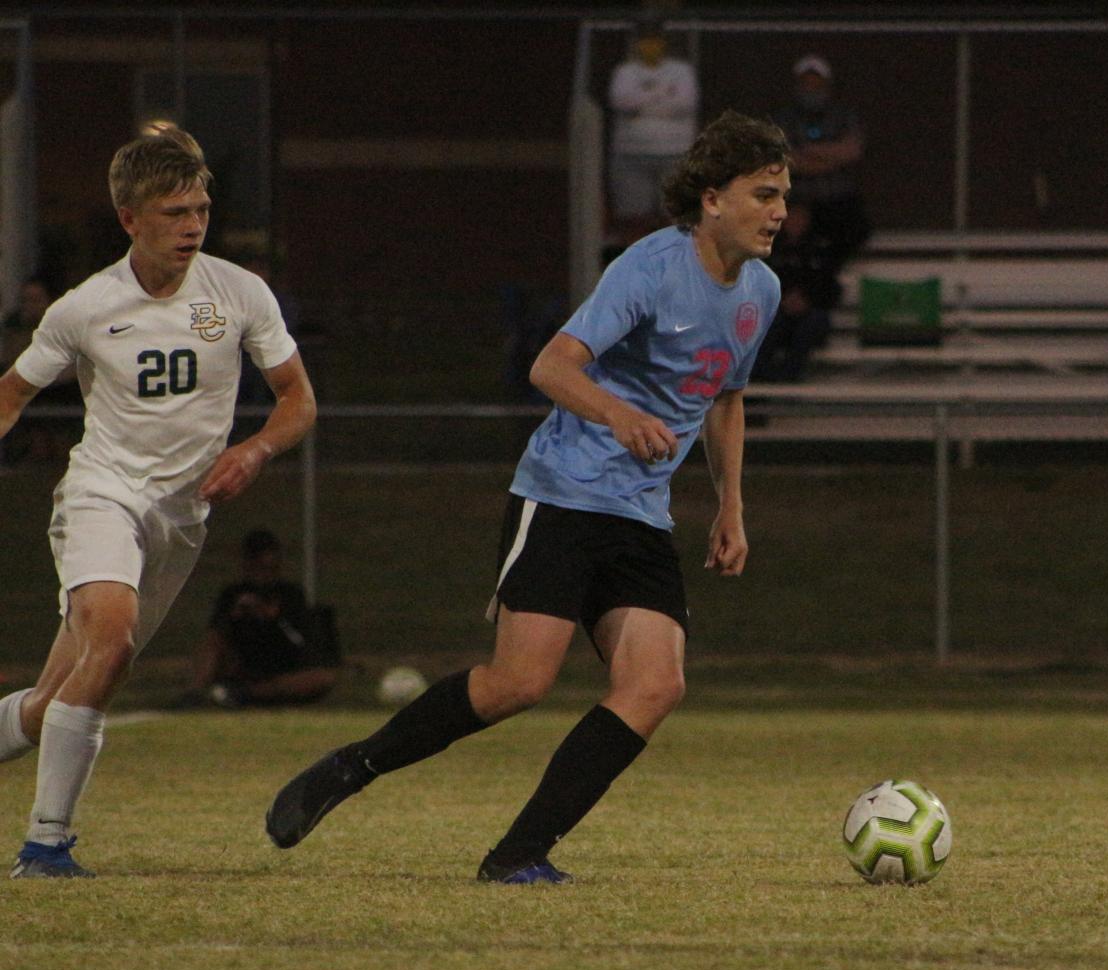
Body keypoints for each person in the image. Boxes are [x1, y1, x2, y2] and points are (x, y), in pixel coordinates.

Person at [264, 110, 789, 885]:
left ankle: (518, 852)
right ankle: (351, 766)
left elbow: (726, 399)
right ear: (712, 199)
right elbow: (551, 366)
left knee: (655, 684)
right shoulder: (648, 269)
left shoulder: (761, 292)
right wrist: (618, 413)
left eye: (783, 195)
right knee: (518, 684)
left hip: (640, 513)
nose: (779, 211)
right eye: (763, 193)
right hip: (565, 492)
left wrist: (731, 505)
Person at [0, 126, 316, 878]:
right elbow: (13, 392)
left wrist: (255, 447)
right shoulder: (85, 307)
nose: (193, 226)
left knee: (58, 699)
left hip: (180, 518)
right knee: (111, 637)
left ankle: (39, 801)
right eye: (175, 212)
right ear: (129, 220)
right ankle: (46, 844)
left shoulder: (238, 292)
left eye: (201, 209)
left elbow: (297, 399)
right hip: (103, 491)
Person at [185, 528, 335, 708]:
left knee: (320, 678)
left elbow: (302, 643)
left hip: (283, 666)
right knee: (212, 642)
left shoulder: (290, 595)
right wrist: (236, 615)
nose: (264, 575)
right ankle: (194, 695)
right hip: (244, 664)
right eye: (258, 568)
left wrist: (275, 618)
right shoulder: (233, 594)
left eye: (270, 568)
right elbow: (215, 636)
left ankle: (245, 695)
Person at [607, 16, 698, 248]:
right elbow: (622, 101)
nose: (650, 45)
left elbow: (685, 103)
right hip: (631, 154)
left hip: (674, 153)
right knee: (634, 218)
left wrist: (643, 103)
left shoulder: (682, 71)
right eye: (645, 39)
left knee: (675, 218)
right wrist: (663, 95)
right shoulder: (625, 72)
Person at [772, 54, 868, 266]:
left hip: (837, 199)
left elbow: (851, 150)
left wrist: (807, 149)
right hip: (796, 200)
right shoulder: (784, 119)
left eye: (817, 85)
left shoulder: (844, 116)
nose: (811, 90)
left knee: (855, 229)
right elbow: (784, 159)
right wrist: (830, 157)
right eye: (806, 84)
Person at [753, 202, 840, 383]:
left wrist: (807, 300)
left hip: (812, 312)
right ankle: (760, 377)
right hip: (778, 310)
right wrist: (783, 300)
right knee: (765, 324)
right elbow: (760, 284)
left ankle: (790, 375)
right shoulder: (770, 250)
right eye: (792, 218)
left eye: (801, 218)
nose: (796, 222)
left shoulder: (821, 250)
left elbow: (829, 287)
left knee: (812, 323)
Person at [0, 274, 75, 466]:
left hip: (62, 398)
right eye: (26, 300)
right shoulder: (14, 326)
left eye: (36, 300)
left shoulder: (65, 326)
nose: (30, 306)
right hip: (26, 402)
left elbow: (70, 370)